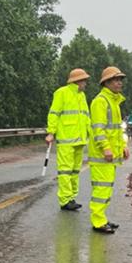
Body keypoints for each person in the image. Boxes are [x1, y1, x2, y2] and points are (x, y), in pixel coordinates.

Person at [87, 66, 129, 234]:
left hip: (110, 155)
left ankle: (101, 218)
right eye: (116, 79)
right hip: (101, 155)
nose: (120, 83)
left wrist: (124, 146)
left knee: (106, 188)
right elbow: (99, 129)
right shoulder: (100, 101)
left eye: (121, 80)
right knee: (101, 188)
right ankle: (98, 222)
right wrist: (106, 148)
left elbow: (116, 130)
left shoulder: (114, 102)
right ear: (107, 82)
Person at [46, 68, 91, 211]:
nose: (86, 83)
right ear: (77, 81)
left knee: (75, 171)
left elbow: (86, 117)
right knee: (65, 171)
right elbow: (54, 113)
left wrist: (91, 135)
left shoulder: (82, 96)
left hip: (80, 140)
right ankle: (65, 200)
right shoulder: (62, 93)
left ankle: (71, 198)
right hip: (66, 139)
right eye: (84, 80)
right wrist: (51, 132)